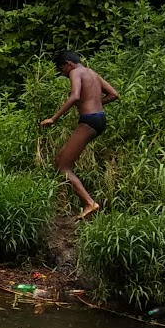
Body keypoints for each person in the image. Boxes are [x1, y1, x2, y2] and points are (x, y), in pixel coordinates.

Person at [40, 50, 120, 220]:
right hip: (99, 119)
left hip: (89, 121)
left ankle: (90, 203)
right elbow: (114, 94)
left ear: (69, 63)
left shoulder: (76, 72)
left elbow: (75, 96)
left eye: (63, 70)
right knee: (59, 159)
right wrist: (95, 103)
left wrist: (53, 118)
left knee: (64, 167)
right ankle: (63, 201)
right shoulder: (93, 73)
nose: (64, 74)